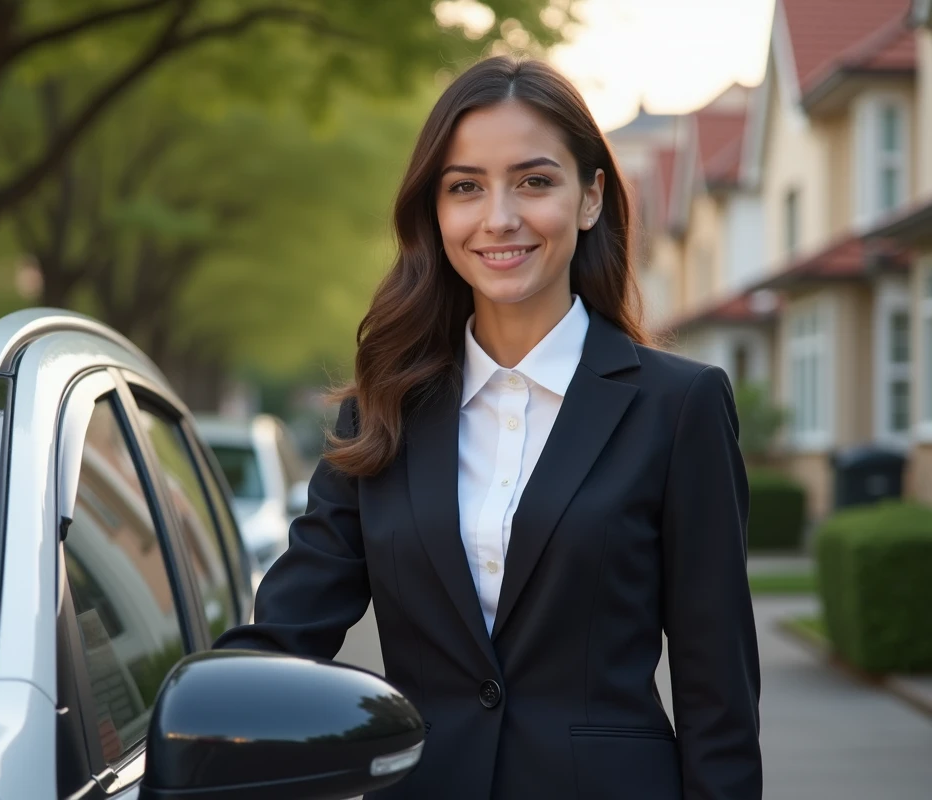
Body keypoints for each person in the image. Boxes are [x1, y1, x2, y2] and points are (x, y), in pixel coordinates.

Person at [214, 56, 762, 800]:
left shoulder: (678, 406)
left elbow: (718, 694)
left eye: (534, 182)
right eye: (465, 186)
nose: (498, 217)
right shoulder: (384, 408)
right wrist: (198, 720)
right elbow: (286, 634)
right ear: (435, 213)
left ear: (590, 198)